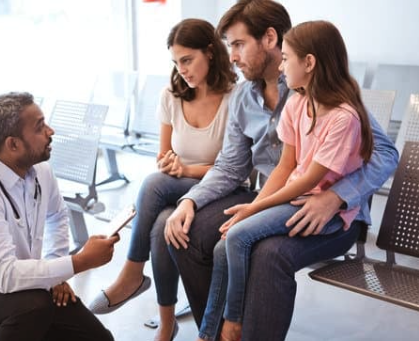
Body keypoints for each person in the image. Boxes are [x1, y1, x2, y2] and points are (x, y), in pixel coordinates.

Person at [162, 1, 399, 340]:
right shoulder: (245, 96)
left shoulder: (323, 90)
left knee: (267, 254)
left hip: (330, 212)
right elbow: (231, 166)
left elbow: (385, 152)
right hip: (275, 199)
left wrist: (336, 197)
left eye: (238, 44)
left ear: (270, 38)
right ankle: (214, 334)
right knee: (187, 235)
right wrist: (191, 201)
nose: (231, 56)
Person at [200, 19, 374, 341]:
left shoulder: (344, 117)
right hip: (296, 198)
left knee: (238, 237)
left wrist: (254, 210)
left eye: (287, 57)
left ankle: (233, 323)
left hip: (326, 210)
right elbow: (285, 167)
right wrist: (252, 206)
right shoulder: (296, 102)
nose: (281, 65)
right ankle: (207, 333)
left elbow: (309, 181)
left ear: (309, 63)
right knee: (225, 244)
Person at [88, 18, 236, 341]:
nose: (182, 69)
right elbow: (163, 155)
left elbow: (233, 167)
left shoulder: (233, 98)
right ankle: (166, 324)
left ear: (209, 53)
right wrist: (170, 163)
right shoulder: (171, 95)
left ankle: (131, 273)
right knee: (159, 227)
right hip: (178, 186)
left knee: (153, 184)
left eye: (187, 60)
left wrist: (184, 170)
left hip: (221, 189)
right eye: (176, 62)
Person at [0, 92, 119, 341]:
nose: (50, 131)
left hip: (25, 285)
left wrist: (56, 273)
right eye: (40, 127)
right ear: (13, 144)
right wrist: (79, 262)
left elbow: (57, 215)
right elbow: (4, 275)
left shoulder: (40, 169)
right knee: (35, 306)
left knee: (98, 339)